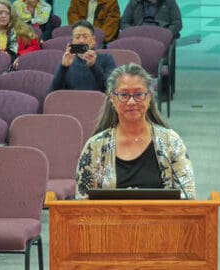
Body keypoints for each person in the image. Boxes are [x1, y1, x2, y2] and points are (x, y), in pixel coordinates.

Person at [76, 63, 195, 200]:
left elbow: (188, 197)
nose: (131, 101)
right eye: (124, 95)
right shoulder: (95, 147)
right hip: (109, 221)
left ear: (149, 97)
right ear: (112, 99)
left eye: (138, 94)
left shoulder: (171, 141)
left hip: (161, 221)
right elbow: (82, 204)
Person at [49, 19, 116, 92]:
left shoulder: (107, 59)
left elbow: (110, 89)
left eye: (85, 36)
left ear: (93, 39)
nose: (81, 41)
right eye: (77, 37)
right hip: (72, 102)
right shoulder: (66, 62)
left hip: (100, 102)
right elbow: (53, 93)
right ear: (73, 41)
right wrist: (63, 67)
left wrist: (93, 66)